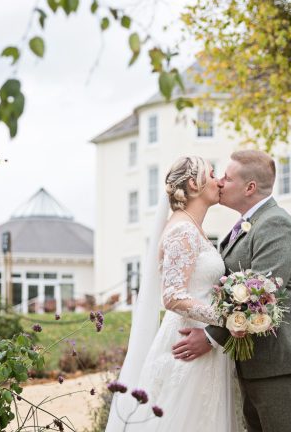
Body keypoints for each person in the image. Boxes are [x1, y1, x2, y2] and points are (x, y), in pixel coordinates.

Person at [171, 149, 291, 432]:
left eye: (227, 179)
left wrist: (209, 337)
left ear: (250, 187)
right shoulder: (248, 225)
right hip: (255, 363)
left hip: (283, 364)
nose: (219, 183)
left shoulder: (276, 224)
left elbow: (260, 295)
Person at [106, 155, 245, 432]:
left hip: (202, 342)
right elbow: (172, 296)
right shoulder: (182, 230)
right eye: (213, 173)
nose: (220, 181)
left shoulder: (192, 227)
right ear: (194, 184)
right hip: (188, 344)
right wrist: (226, 317)